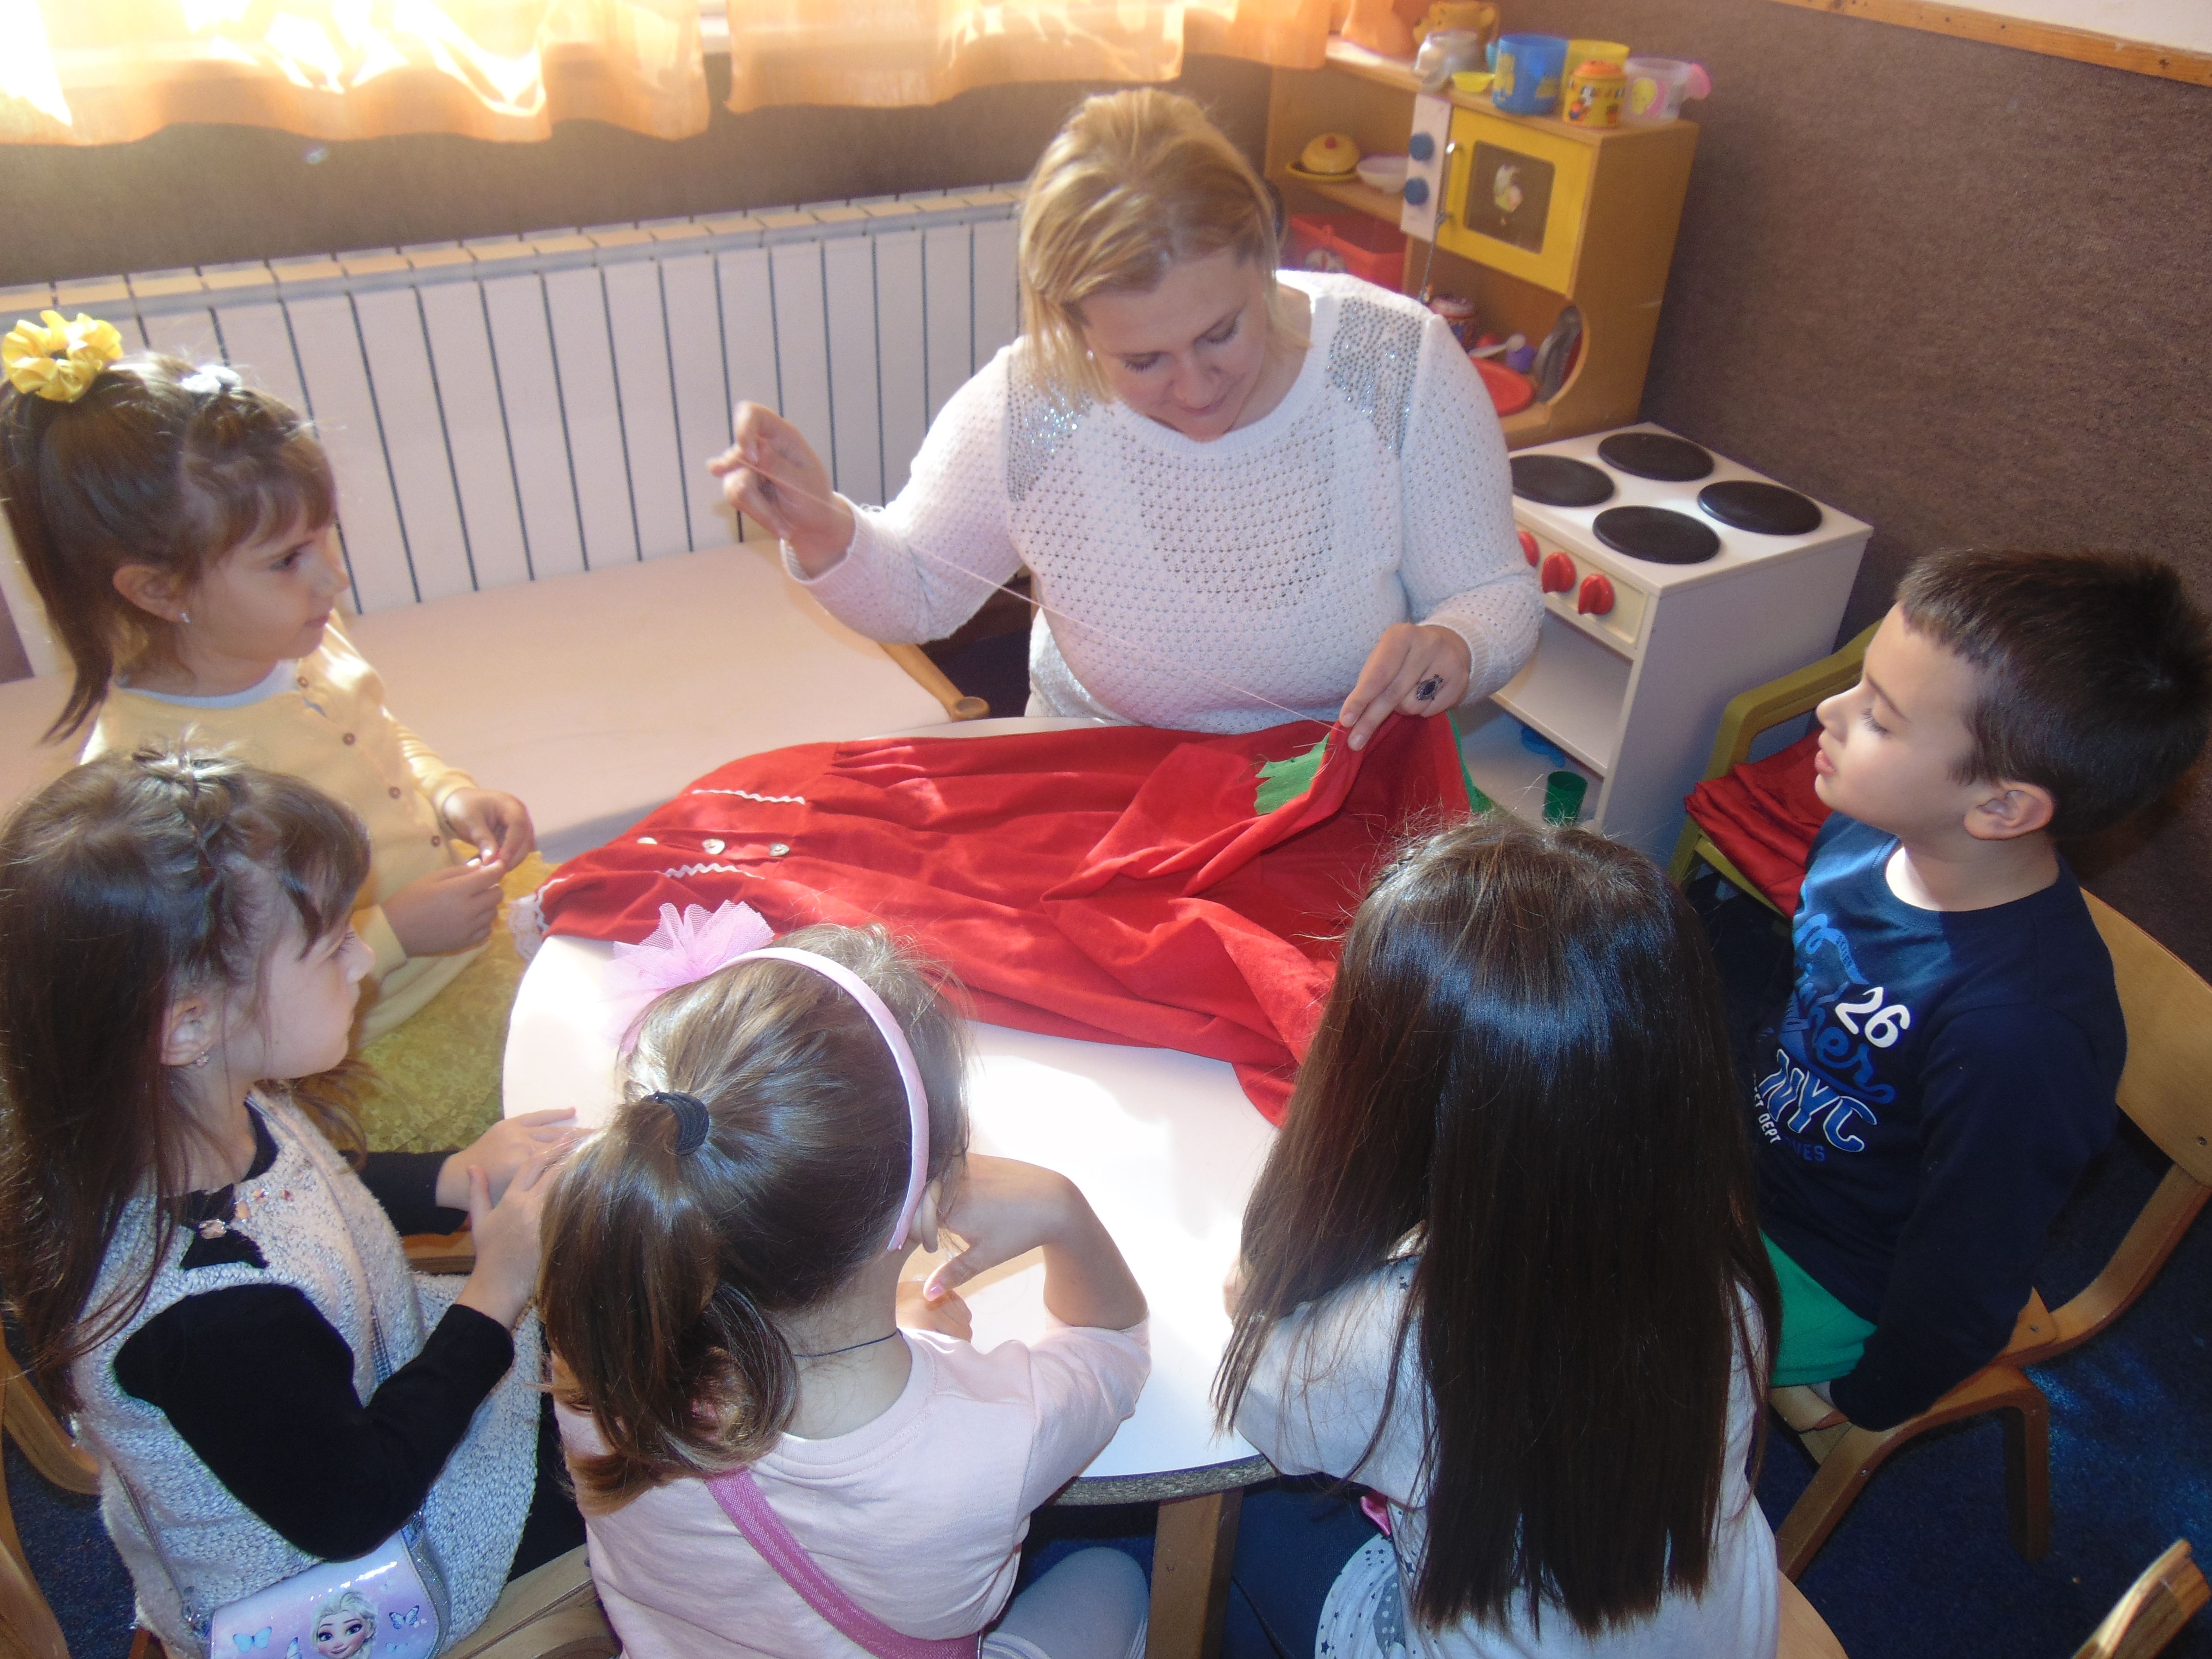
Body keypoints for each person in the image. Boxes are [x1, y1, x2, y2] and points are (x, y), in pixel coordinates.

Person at [713, 89, 1537, 750]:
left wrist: (1457, 646)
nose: (1195, 388)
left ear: (1262, 256)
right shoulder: (1036, 401)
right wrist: (821, 527)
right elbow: (921, 594)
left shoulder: (1395, 365)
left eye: (1221, 333)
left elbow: (1493, 593)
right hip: (1105, 790)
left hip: (1334, 784)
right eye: (1143, 362)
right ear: (1074, 329)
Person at [0, 747, 581, 1658]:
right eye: (333, 942)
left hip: (375, 1400)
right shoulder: (207, 1312)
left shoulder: (185, 1113)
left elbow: (301, 1185)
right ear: (188, 1021)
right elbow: (354, 1506)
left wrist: (449, 1174)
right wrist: (496, 1292)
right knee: (664, 1455)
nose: (365, 958)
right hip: (366, 1573)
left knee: (624, 1360)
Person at [1215, 818, 1781, 1656]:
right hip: (1708, 1628)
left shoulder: (1391, 1337)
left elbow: (1261, 1385)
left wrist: (1288, 1233)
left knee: (1231, 1515)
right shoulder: (1719, 1258)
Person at [540, 918, 1154, 1659]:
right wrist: (1062, 1209)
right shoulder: (992, 1439)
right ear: (930, 1203)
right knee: (1115, 1573)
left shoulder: (596, 1345)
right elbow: (1112, 1345)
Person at [0, 313, 541, 1150]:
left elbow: (380, 733)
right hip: (372, 1031)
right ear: (157, 590)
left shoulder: (302, 634)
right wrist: (394, 933)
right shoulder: (157, 783)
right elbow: (224, 983)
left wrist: (451, 795)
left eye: (325, 538)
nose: (333, 576)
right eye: (287, 559)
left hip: (469, 935)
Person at [1755, 549, 2212, 1435]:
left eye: (1878, 717)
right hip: (1764, 1168)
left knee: (1595, 1334)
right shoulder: (1858, 839)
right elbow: (1795, 998)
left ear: (2001, 809)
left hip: (1842, 1272)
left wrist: (1873, 1398)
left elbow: (1969, 1263)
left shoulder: (2020, 1034)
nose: (1828, 710)